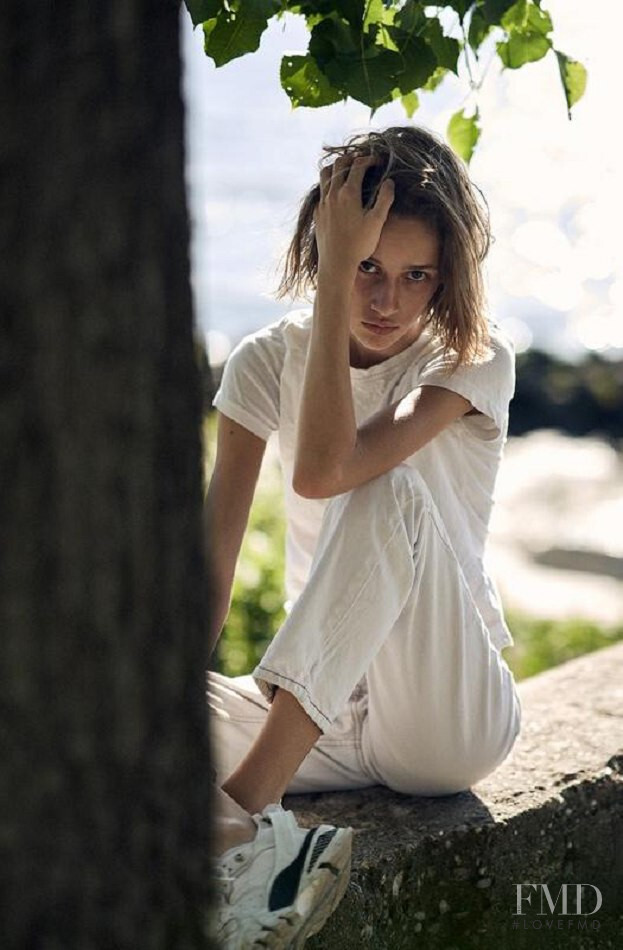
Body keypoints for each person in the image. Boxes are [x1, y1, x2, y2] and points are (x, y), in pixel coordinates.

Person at [206, 124, 523, 948]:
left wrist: (334, 279)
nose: (386, 302)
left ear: (446, 278)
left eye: (416, 276)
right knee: (85, 707)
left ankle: (241, 820)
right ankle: (248, 834)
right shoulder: (262, 362)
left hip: (441, 715)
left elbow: (326, 469)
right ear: (324, 251)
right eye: (365, 268)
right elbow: (212, 567)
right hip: (314, 715)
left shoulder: (470, 359)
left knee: (383, 485)